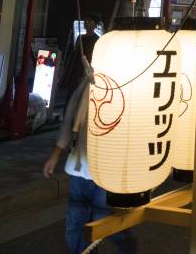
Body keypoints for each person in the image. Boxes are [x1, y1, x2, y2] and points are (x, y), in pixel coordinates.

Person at [43, 71, 136, 254]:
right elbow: (70, 123)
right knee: (75, 224)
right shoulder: (86, 85)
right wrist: (55, 154)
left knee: (104, 219)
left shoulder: (126, 84)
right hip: (80, 169)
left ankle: (127, 246)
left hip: (106, 172)